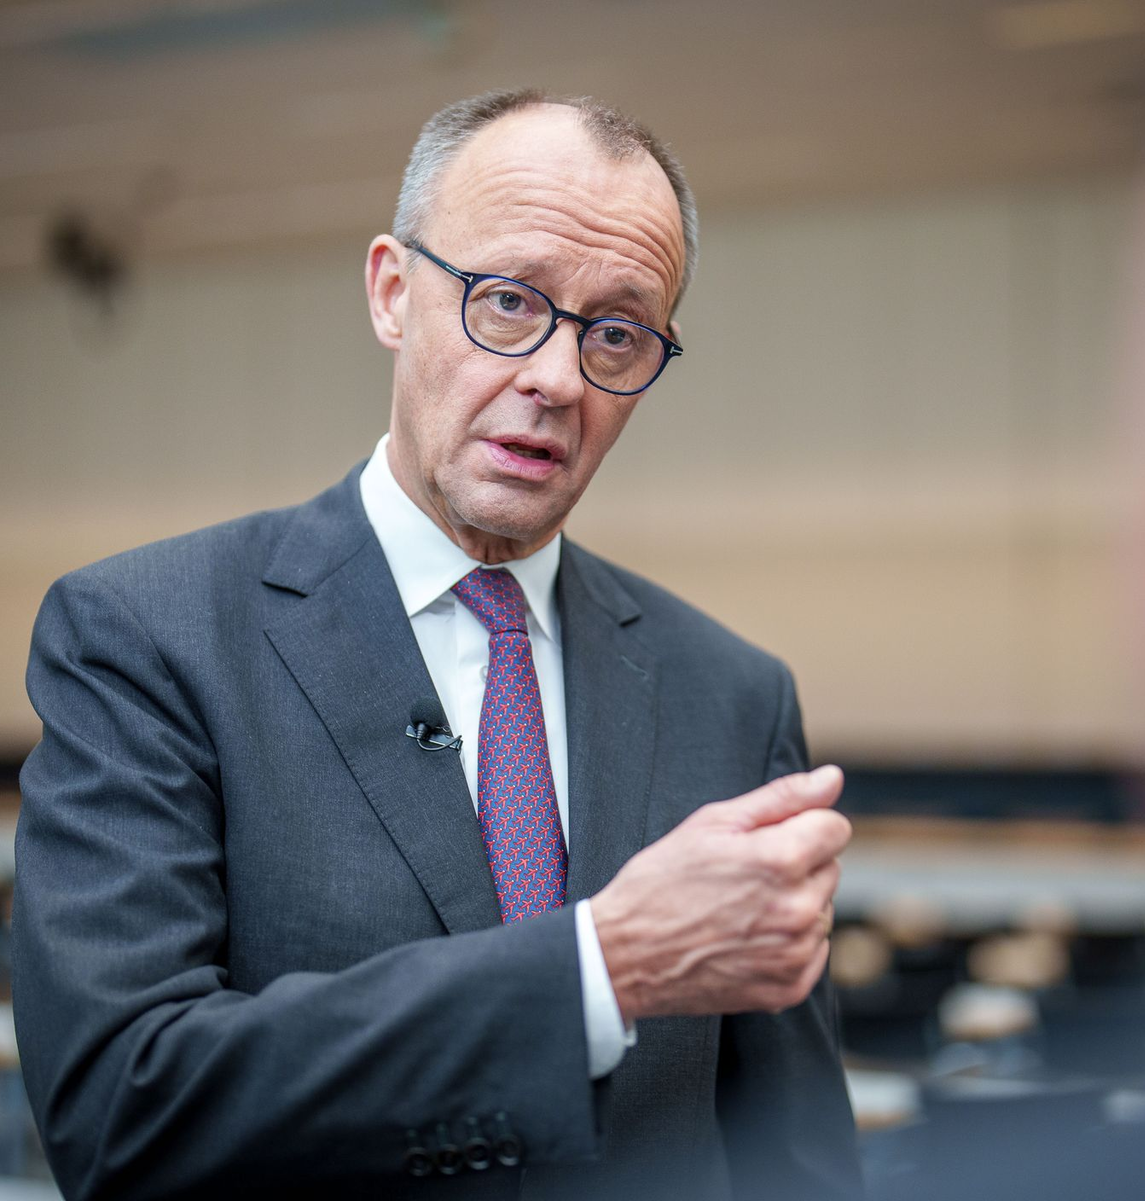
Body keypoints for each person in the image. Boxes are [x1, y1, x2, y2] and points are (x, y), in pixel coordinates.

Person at [13, 90, 861, 1201]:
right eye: (508, 302)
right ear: (392, 292)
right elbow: (121, 1107)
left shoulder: (732, 695)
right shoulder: (150, 638)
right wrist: (596, 969)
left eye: (616, 332)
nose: (558, 379)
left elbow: (793, 1159)